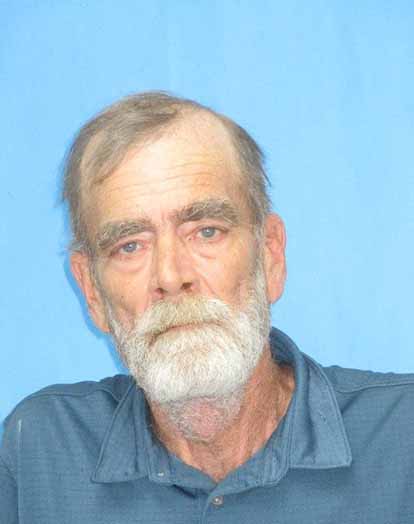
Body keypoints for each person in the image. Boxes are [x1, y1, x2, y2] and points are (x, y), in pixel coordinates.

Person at [1, 92, 414, 524]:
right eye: (130, 245)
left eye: (206, 231)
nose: (170, 275)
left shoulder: (402, 438)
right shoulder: (42, 450)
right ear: (91, 291)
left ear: (270, 255)